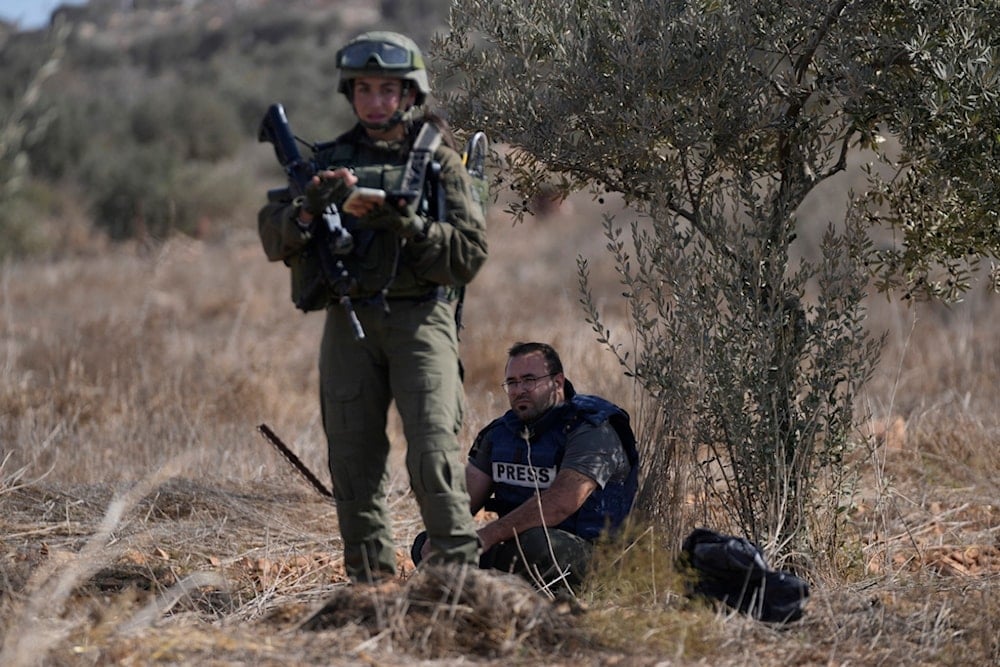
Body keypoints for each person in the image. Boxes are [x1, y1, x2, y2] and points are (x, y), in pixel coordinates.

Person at [257, 31, 488, 583]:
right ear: (350, 93)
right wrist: (310, 210)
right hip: (349, 321)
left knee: (432, 455)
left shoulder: (436, 161)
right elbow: (274, 240)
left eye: (388, 89)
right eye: (364, 89)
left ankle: (458, 587)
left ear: (409, 94)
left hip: (422, 319)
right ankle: (371, 590)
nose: (375, 101)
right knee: (353, 462)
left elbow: (469, 254)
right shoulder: (330, 162)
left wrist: (406, 224)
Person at [413, 342, 639, 590]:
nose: (520, 389)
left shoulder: (590, 430)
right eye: (512, 383)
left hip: (588, 555)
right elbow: (464, 499)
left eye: (529, 380)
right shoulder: (500, 434)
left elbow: (561, 503)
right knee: (427, 543)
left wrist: (486, 537)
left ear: (558, 382)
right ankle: (485, 592)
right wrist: (442, 533)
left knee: (536, 544)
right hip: (514, 547)